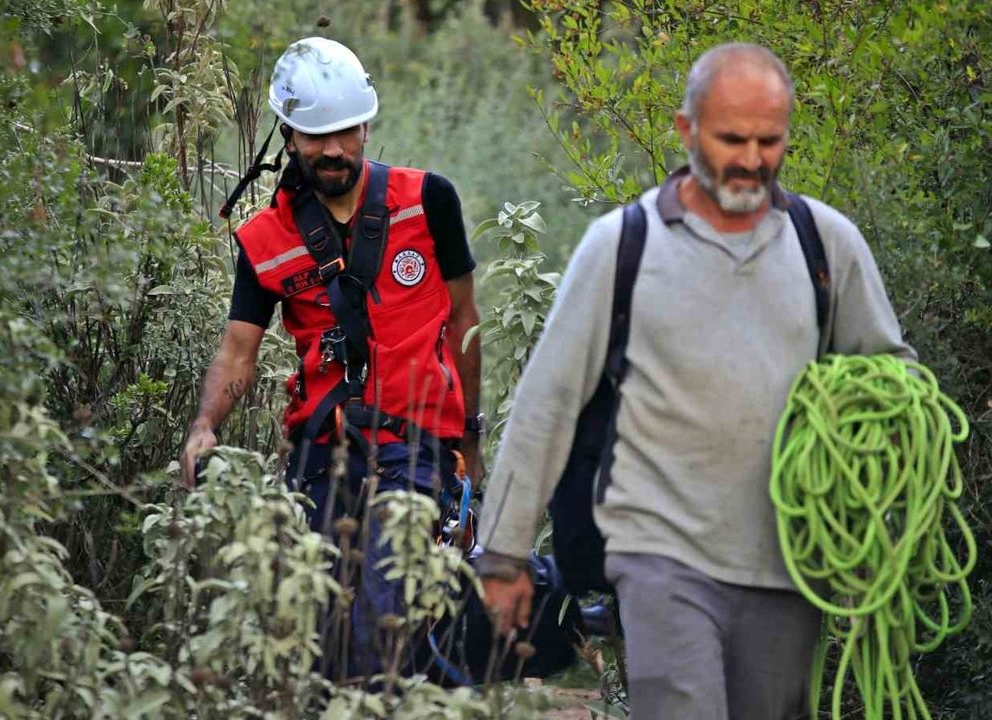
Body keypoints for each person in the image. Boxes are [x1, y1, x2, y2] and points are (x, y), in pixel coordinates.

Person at [475, 43, 916, 720]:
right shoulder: (622, 246)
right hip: (659, 555)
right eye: (731, 138)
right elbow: (547, 404)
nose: (751, 158)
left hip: (789, 564)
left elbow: (894, 380)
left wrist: (877, 463)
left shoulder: (824, 245)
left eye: (769, 140)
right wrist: (502, 555)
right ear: (686, 131)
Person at [180, 36, 484, 680]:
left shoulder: (429, 201)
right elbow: (239, 352)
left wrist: (471, 436)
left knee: (382, 619)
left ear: (367, 124)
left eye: (345, 132)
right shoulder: (264, 242)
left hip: (416, 448)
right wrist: (206, 425)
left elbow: (464, 322)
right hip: (322, 455)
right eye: (316, 137)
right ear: (288, 137)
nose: (334, 150)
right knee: (319, 636)